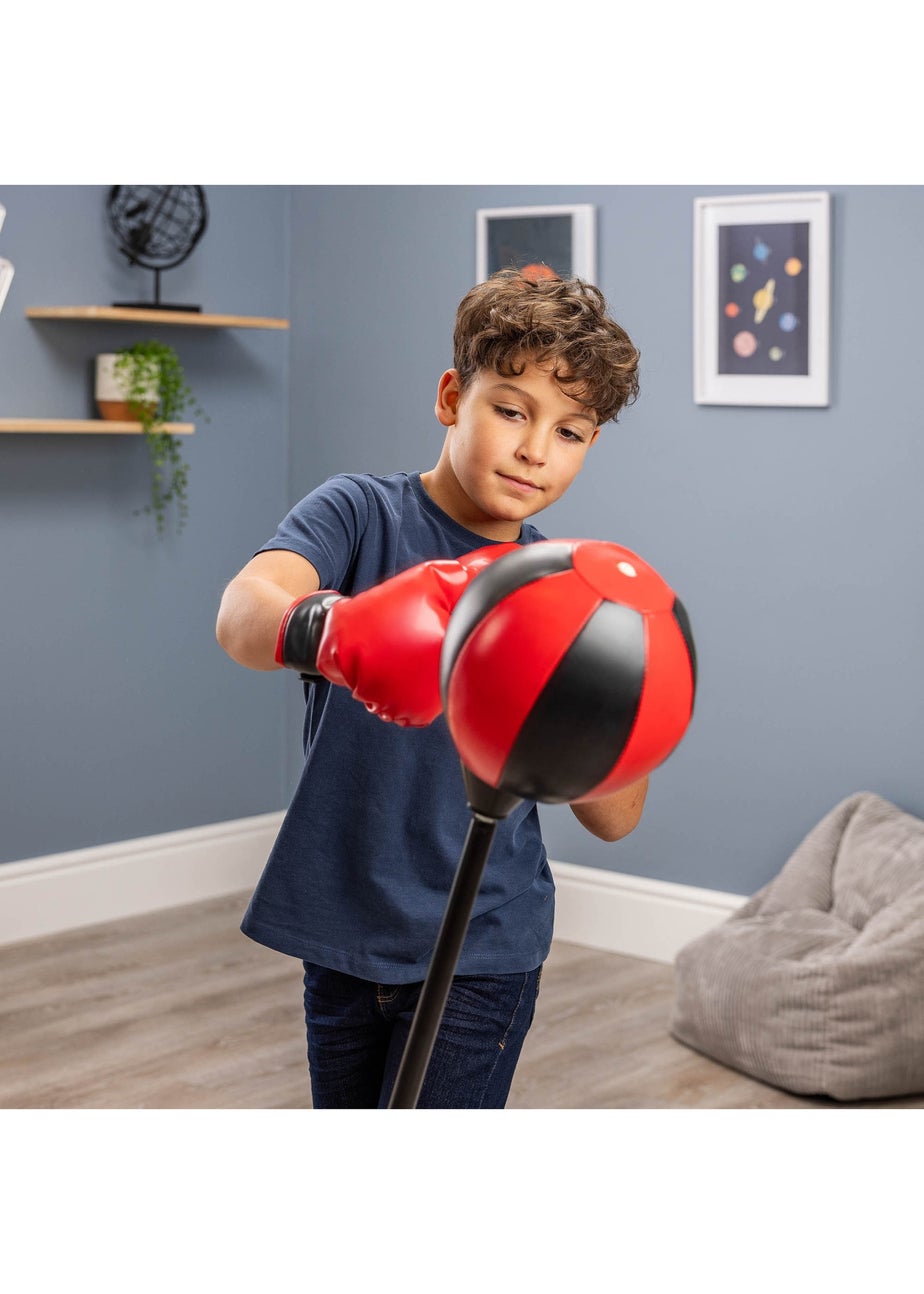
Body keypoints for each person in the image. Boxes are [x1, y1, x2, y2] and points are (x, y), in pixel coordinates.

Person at [216, 268, 647, 1109]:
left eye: (571, 432)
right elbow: (242, 614)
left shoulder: (562, 592)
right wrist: (342, 632)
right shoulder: (359, 515)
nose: (535, 451)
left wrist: (585, 705)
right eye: (512, 409)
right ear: (453, 396)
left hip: (483, 945)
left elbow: (617, 819)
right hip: (342, 930)